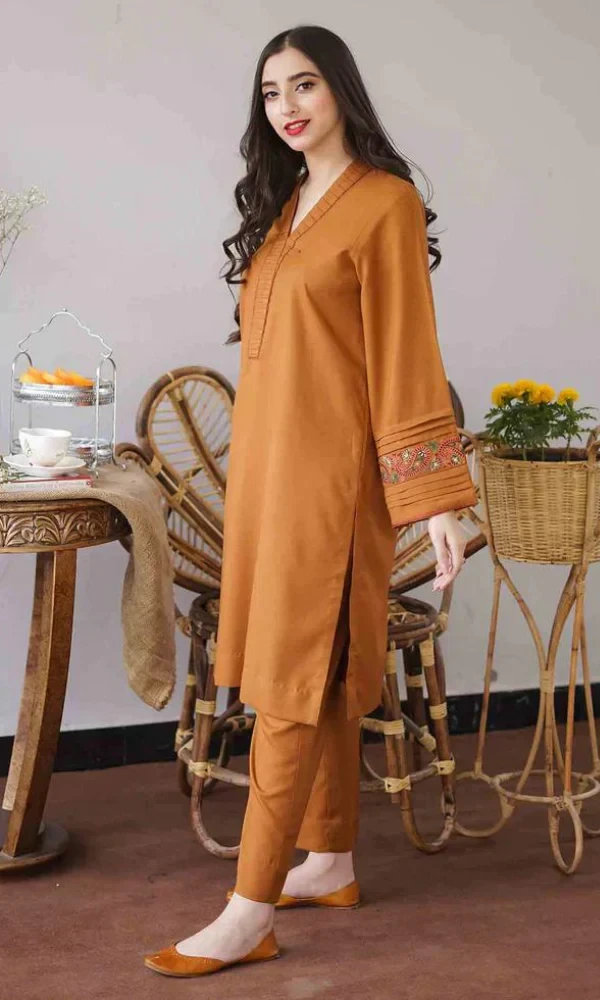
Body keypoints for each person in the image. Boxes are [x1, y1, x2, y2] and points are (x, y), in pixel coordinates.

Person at [145, 24, 477, 979]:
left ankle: (248, 908)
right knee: (315, 666)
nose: (286, 106)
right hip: (267, 485)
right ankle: (329, 860)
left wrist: (436, 502)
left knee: (291, 677)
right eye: (270, 92)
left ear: (341, 90)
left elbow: (407, 360)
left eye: (304, 85)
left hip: (331, 492)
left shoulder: (385, 203)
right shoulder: (287, 207)